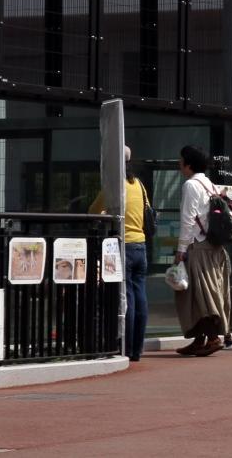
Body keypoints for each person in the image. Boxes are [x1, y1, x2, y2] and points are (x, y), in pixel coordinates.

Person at [88, 146, 150, 362]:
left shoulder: (113, 186)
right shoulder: (138, 184)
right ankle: (137, 349)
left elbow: (93, 211)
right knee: (140, 296)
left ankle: (127, 346)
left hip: (123, 245)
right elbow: (145, 210)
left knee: (127, 298)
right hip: (141, 245)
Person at [173, 145, 231, 357]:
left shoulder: (190, 185)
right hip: (214, 247)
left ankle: (213, 338)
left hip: (197, 247)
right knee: (205, 294)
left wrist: (181, 249)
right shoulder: (210, 184)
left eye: (181, 160)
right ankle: (199, 340)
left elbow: (188, 219)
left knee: (199, 295)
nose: (179, 164)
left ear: (188, 164)